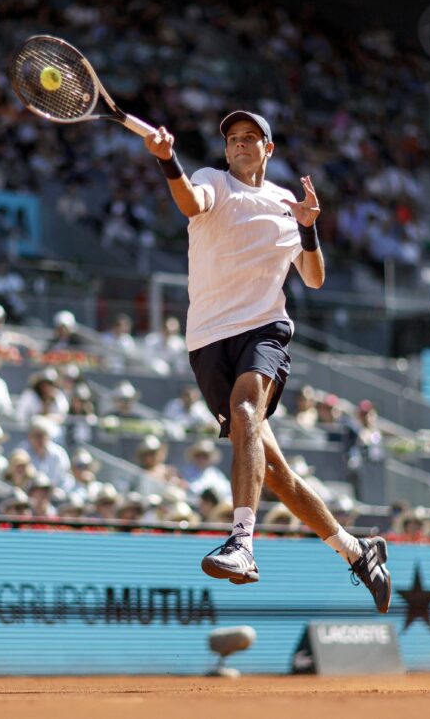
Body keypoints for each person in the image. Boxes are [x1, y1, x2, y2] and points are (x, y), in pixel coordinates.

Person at [144, 111, 389, 611]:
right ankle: (357, 551)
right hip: (208, 340)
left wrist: (307, 229)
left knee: (247, 412)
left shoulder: (285, 202)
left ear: (268, 148)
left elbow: (314, 278)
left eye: (250, 139)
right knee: (275, 474)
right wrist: (169, 160)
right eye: (233, 139)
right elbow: (189, 200)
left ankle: (242, 544)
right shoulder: (211, 182)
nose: (239, 145)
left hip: (264, 330)